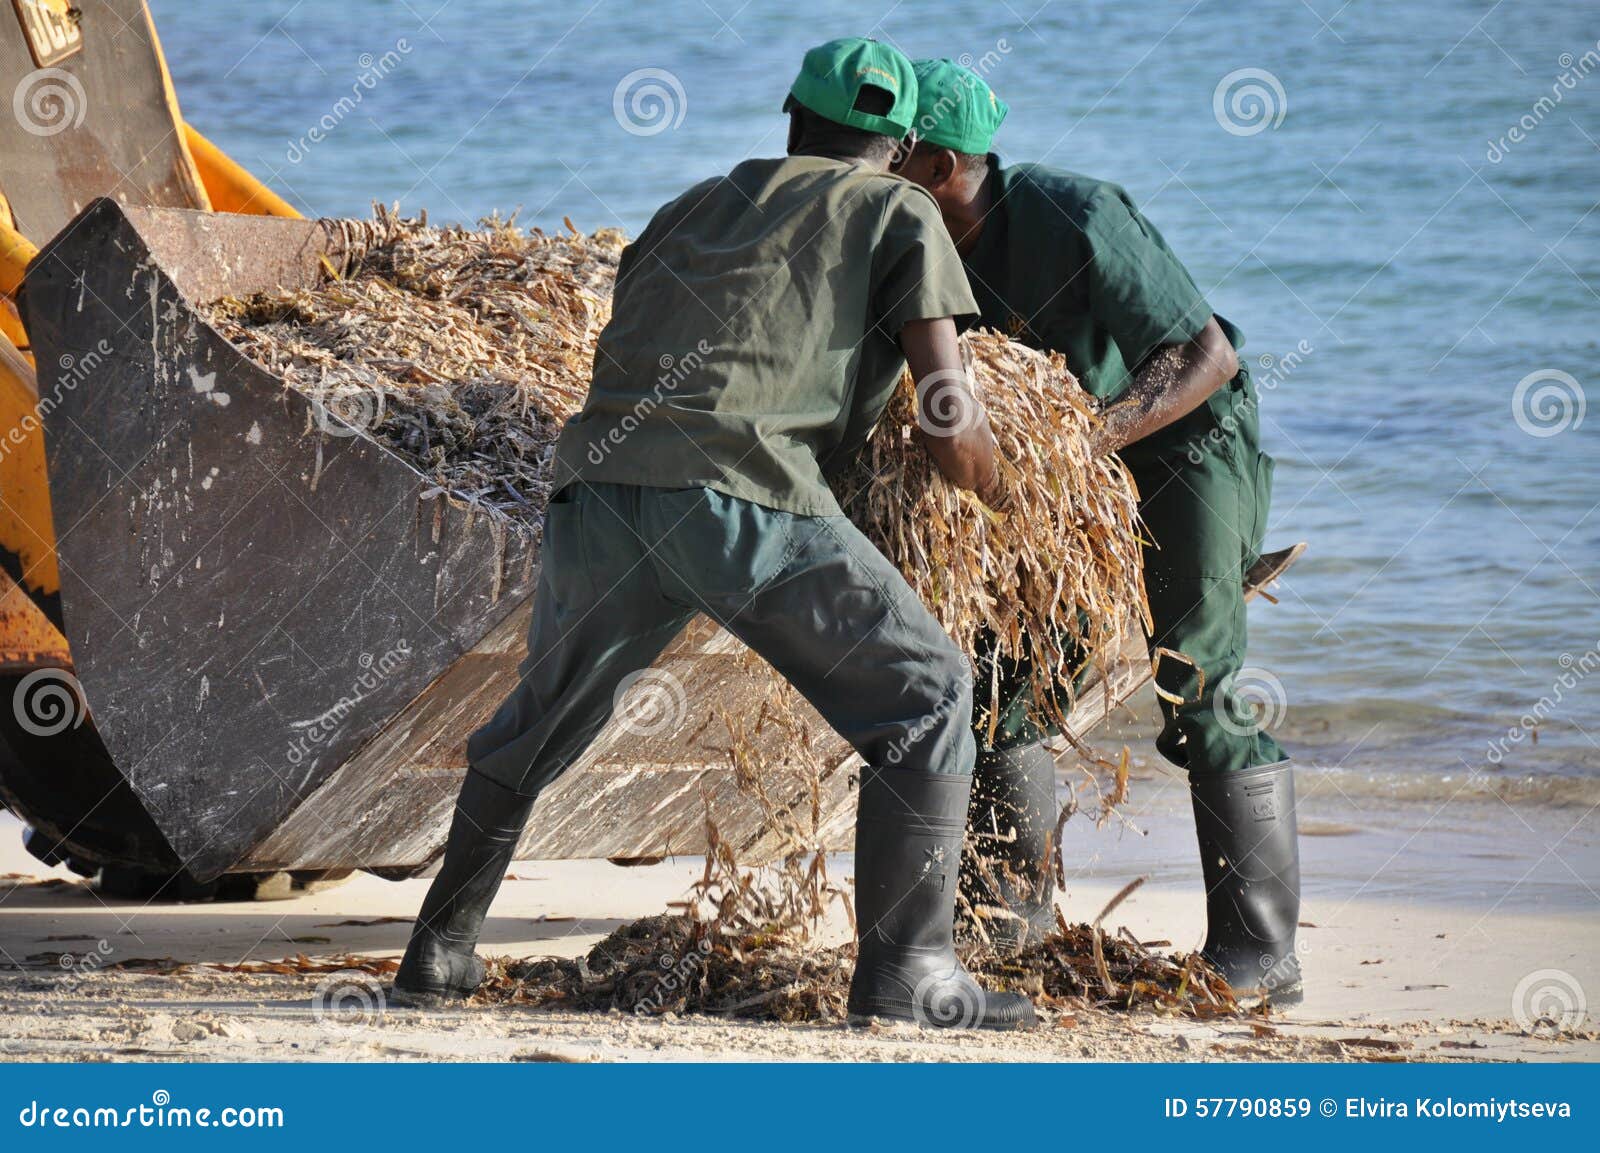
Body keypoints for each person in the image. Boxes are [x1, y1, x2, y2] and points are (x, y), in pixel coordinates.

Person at [392, 38, 1035, 1029]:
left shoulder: (687, 207)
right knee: (929, 693)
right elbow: (948, 421)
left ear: (792, 116)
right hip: (743, 493)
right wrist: (1007, 503)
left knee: (544, 714)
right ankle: (910, 972)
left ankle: (439, 948)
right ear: (902, 145)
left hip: (602, 491)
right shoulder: (899, 207)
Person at [895, 58, 1303, 1002]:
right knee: (1003, 672)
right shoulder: (912, 234)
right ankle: (1007, 920)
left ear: (941, 161)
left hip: (1182, 445)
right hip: (1059, 467)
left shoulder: (1072, 213)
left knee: (1196, 680)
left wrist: (1086, 443)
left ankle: (1260, 950)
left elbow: (1206, 352)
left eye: (890, 152)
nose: (870, 165)